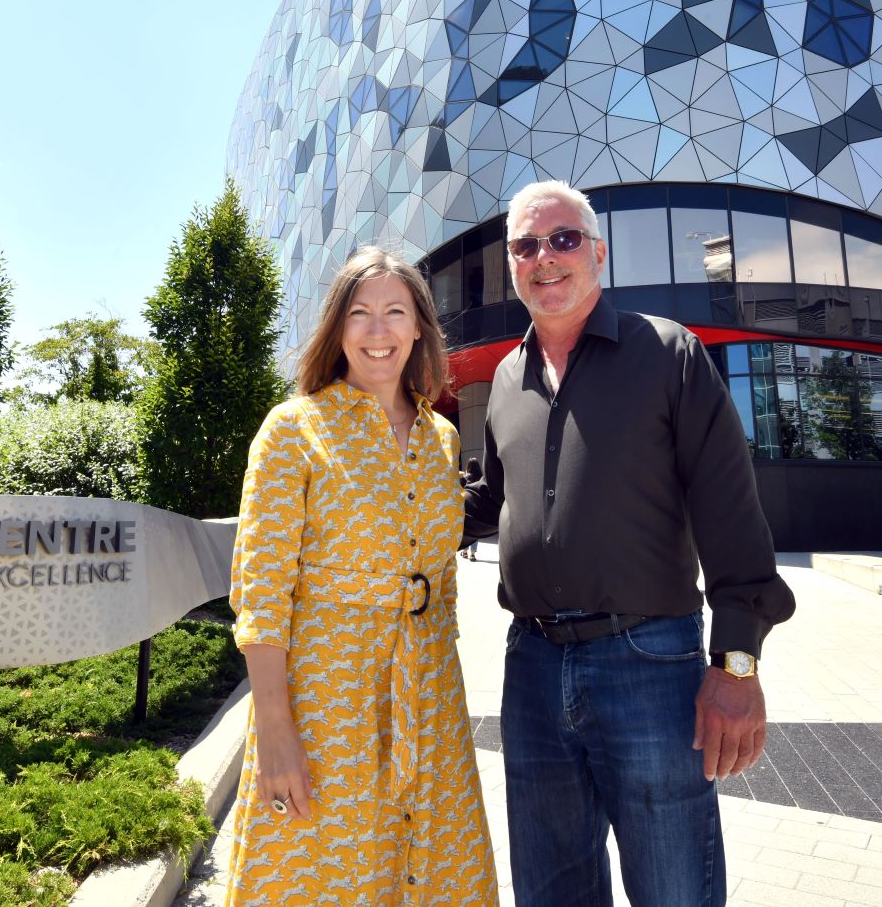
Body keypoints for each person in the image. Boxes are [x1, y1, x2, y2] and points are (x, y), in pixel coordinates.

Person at [465, 180, 797, 907]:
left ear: (598, 253)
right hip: (530, 665)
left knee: (672, 887)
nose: (544, 258)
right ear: (511, 265)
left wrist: (735, 665)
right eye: (526, 245)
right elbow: (486, 501)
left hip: (648, 663)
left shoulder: (667, 354)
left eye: (563, 240)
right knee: (550, 891)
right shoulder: (505, 377)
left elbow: (732, 517)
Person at [225, 247, 498, 907]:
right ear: (337, 328)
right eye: (361, 313)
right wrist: (275, 731)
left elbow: (438, 577)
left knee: (430, 869)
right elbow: (260, 590)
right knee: (317, 873)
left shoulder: (440, 438)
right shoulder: (293, 430)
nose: (378, 331)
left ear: (418, 329)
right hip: (326, 707)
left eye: (395, 313)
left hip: (427, 700)